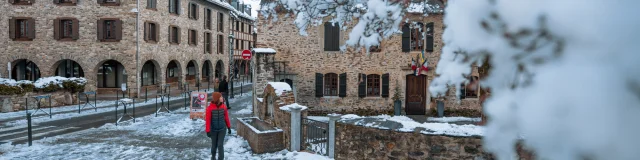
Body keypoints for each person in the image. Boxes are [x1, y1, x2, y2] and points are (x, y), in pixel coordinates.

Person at [205, 92, 231, 160]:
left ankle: (221, 158)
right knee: (214, 146)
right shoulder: (209, 108)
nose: (222, 98)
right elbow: (208, 120)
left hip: (222, 129)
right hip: (213, 130)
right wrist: (208, 131)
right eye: (220, 97)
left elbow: (226, 118)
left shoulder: (224, 107)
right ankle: (213, 157)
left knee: (220, 145)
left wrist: (228, 127)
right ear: (217, 99)